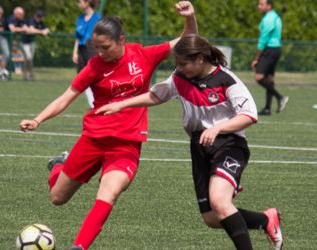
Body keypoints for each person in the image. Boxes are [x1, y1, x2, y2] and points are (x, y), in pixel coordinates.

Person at [19, 2, 197, 249]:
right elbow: (65, 97)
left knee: (109, 193)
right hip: (93, 139)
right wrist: (38, 119)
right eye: (96, 47)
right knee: (57, 198)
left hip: (126, 144)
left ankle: (79, 247)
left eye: (105, 47)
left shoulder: (143, 55)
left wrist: (190, 17)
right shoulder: (93, 67)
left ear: (121, 40)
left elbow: (188, 40)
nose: (99, 53)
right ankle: (59, 165)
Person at [96, 35, 284, 250]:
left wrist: (217, 128)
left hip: (229, 145)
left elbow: (249, 115)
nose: (180, 68)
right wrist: (121, 105)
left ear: (201, 59)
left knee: (220, 202)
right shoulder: (180, 77)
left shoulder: (227, 80)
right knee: (212, 218)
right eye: (177, 64)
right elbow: (157, 96)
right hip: (200, 146)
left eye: (184, 63)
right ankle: (266, 220)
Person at [251, 0, 288, 115]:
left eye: (261, 4)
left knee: (259, 77)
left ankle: (280, 98)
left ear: (269, 6)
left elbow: (263, 39)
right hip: (276, 49)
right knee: (269, 79)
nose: (258, 6)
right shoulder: (275, 16)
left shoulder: (268, 19)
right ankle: (267, 108)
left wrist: (257, 57)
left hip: (270, 50)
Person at [73, 0, 102, 108]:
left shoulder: (97, 18)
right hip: (81, 49)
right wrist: (75, 52)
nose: (78, 4)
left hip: (92, 49)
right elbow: (78, 37)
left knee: (94, 77)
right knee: (82, 77)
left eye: (79, 1)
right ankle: (92, 104)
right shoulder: (80, 18)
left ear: (87, 2)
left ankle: (99, 101)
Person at [22, 10, 50, 80]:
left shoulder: (41, 23)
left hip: (32, 42)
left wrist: (45, 31)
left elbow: (47, 30)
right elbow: (31, 30)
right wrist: (41, 32)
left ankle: (29, 75)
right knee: (28, 58)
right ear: (35, 16)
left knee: (30, 59)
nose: (39, 18)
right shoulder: (31, 21)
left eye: (40, 17)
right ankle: (28, 75)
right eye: (38, 16)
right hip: (25, 42)